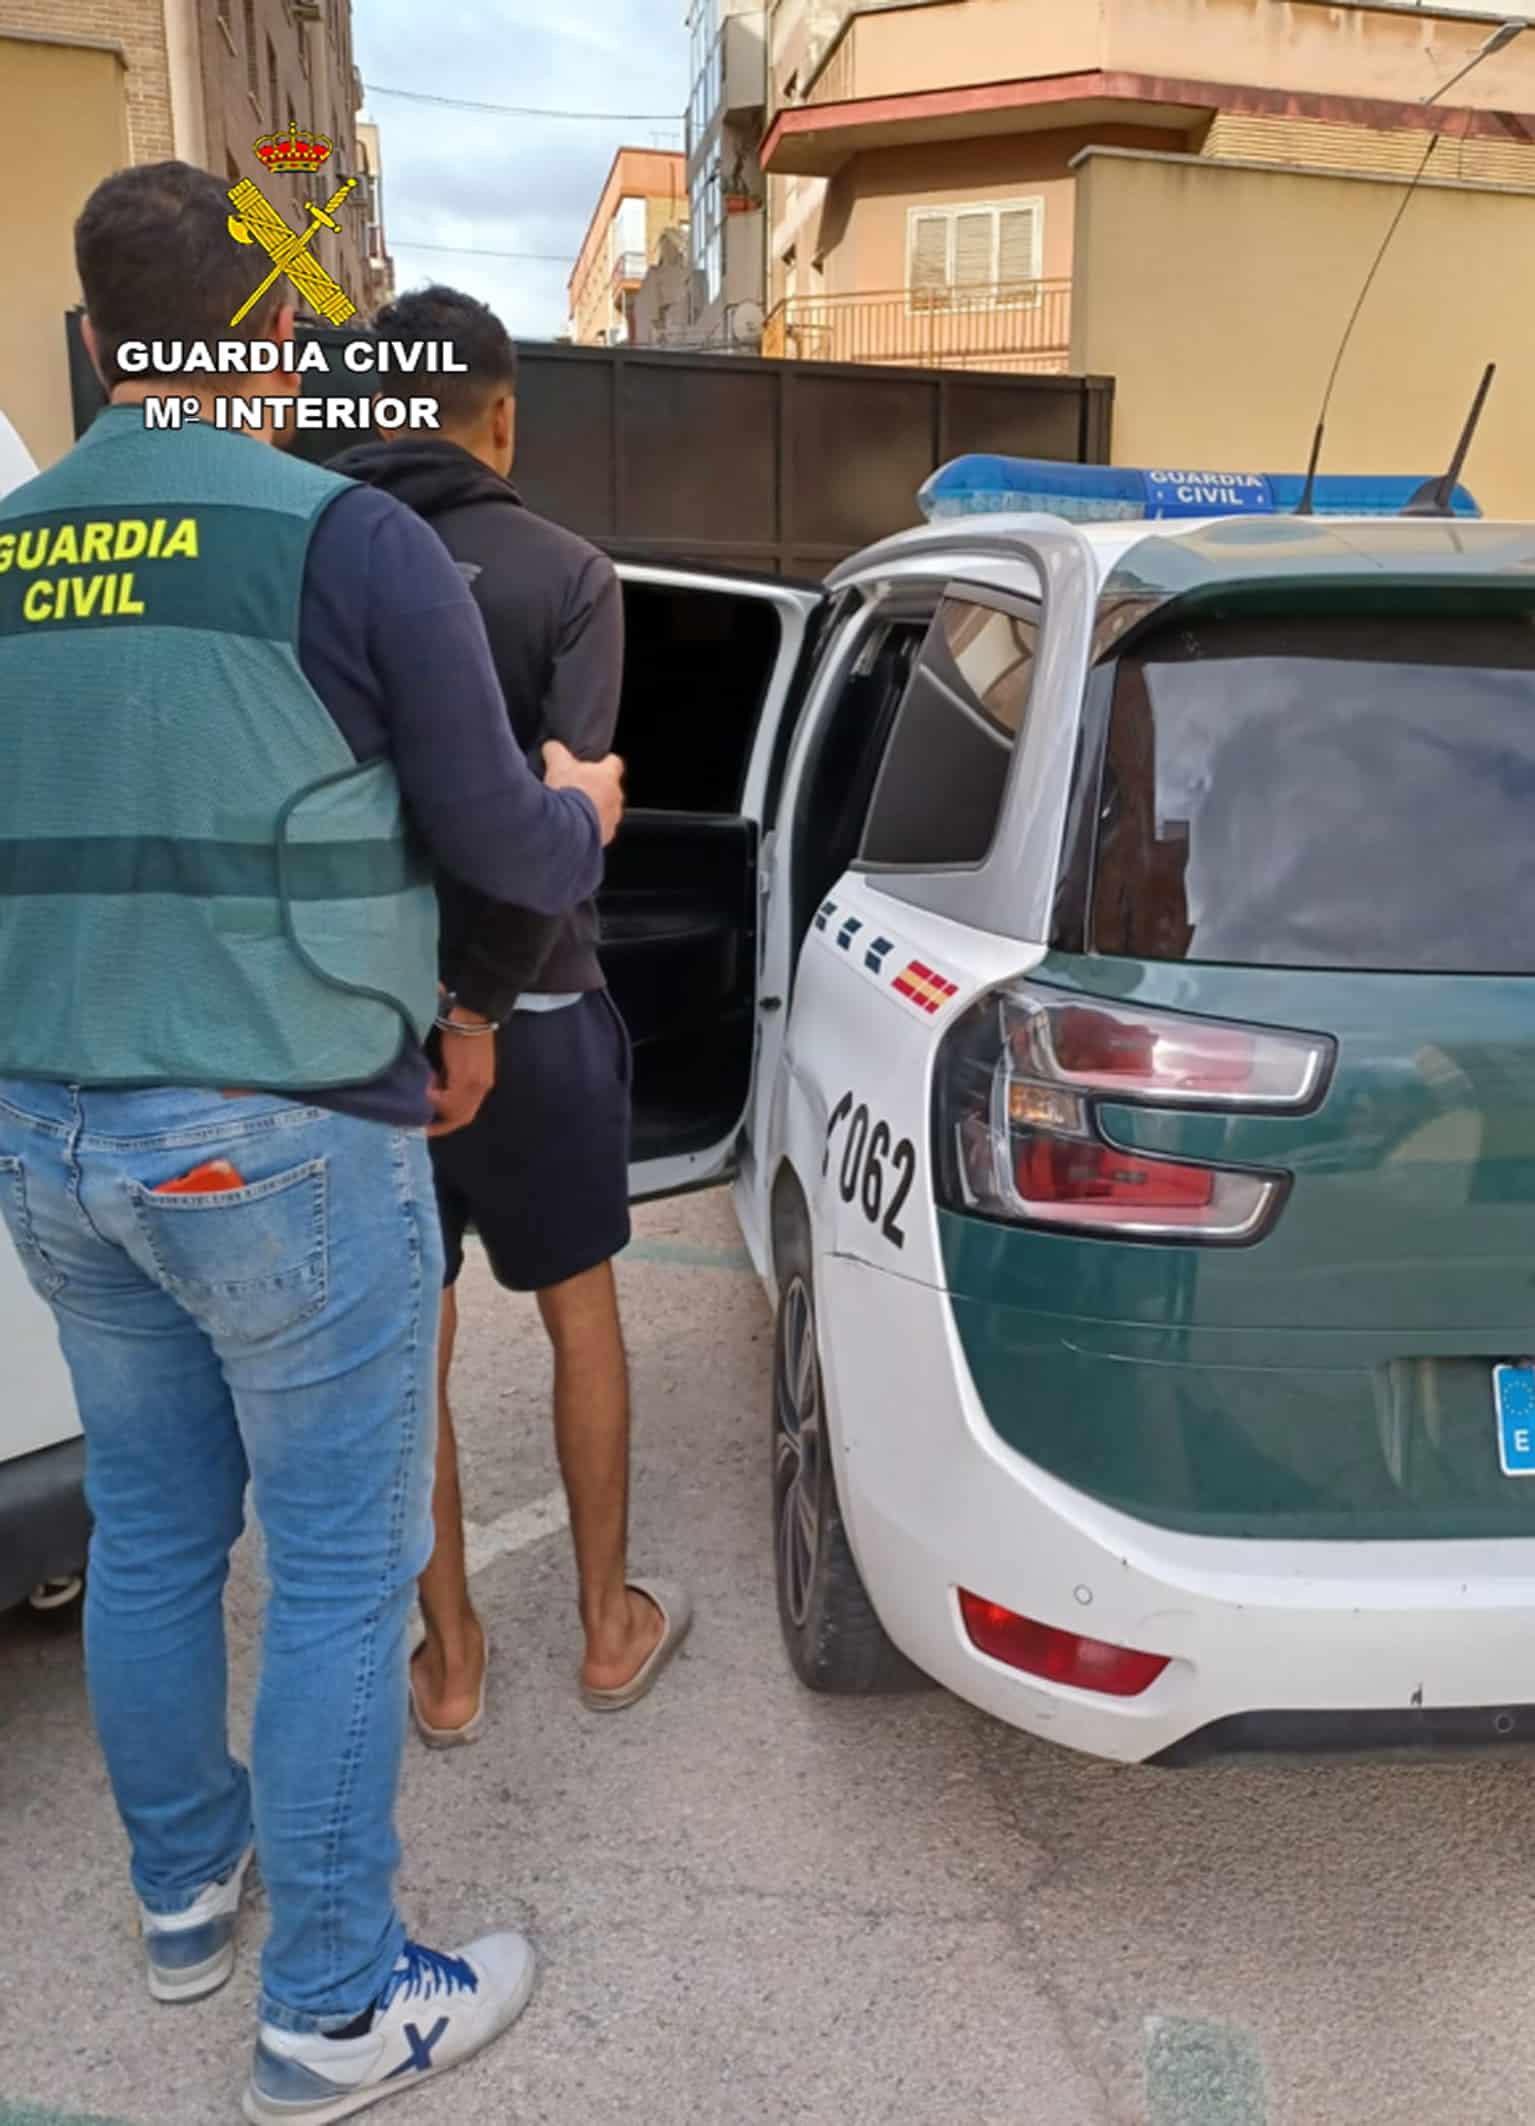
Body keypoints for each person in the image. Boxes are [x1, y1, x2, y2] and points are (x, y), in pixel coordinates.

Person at [0, 164, 626, 2123]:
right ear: (270, 341)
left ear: (98, 342)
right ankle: (335, 2006)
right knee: (348, 1568)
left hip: (53, 1137)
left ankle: (188, 1897)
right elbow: (501, 838)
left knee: (154, 1528)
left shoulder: (10, 551)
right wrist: (589, 808)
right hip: (277, 1134)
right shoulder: (344, 541)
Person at [330, 287, 691, 1739]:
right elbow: (561, 812)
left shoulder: (322, 560)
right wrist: (481, 1003)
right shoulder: (571, 573)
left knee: (406, 1349)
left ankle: (454, 1661)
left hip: (361, 1027)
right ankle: (607, 1630)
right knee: (580, 1316)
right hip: (533, 1011)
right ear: (500, 417)